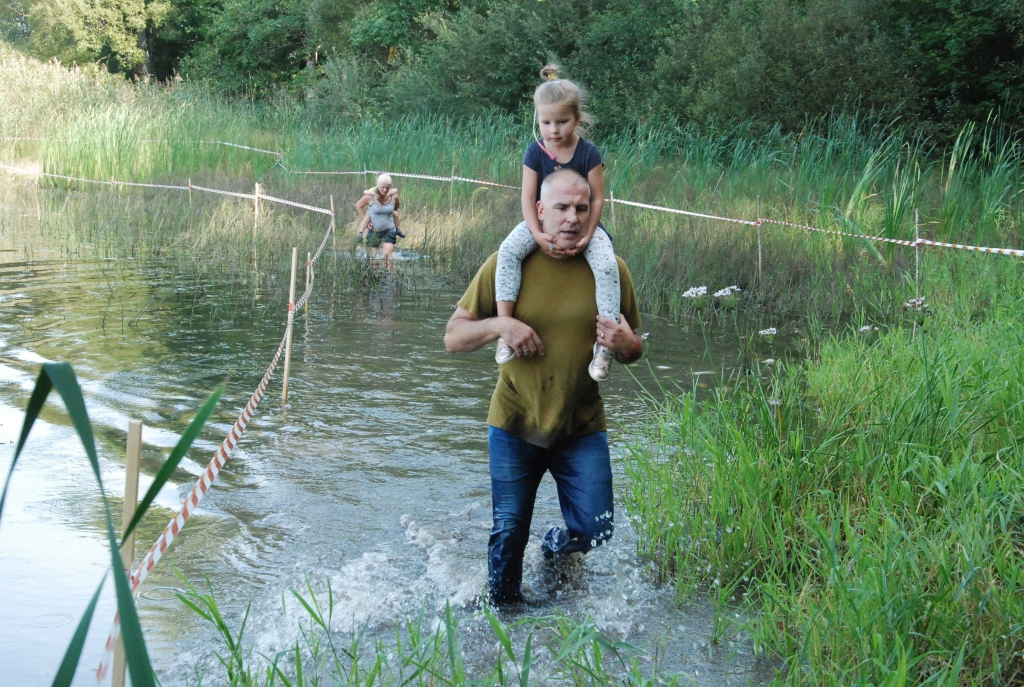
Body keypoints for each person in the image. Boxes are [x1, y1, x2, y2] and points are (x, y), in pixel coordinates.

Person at [444, 169, 645, 606]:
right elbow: (453, 337)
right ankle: (504, 622)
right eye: (561, 208)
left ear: (593, 211)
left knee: (598, 528)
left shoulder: (612, 270)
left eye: (581, 208)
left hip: (581, 426)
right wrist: (501, 325)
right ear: (539, 210)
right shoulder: (506, 264)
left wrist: (628, 344)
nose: (572, 218)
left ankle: (554, 550)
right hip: (514, 422)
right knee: (508, 533)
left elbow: (632, 350)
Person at [493, 64, 620, 383]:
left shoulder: (589, 153)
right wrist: (536, 233)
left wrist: (588, 234)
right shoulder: (534, 152)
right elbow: (526, 198)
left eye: (561, 122)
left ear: (576, 119)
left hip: (585, 223)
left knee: (607, 266)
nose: (553, 129)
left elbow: (597, 199)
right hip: (540, 223)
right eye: (545, 122)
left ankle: (605, 348)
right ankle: (505, 329)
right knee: (507, 252)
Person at [355, 173, 406, 261]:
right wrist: (366, 222)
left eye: (387, 187)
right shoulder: (370, 197)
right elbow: (358, 206)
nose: (385, 190)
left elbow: (396, 207)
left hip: (389, 229)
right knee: (374, 259)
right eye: (382, 187)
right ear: (377, 185)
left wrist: (391, 213)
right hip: (374, 230)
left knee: (387, 257)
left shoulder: (394, 196)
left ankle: (389, 274)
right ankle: (360, 234)